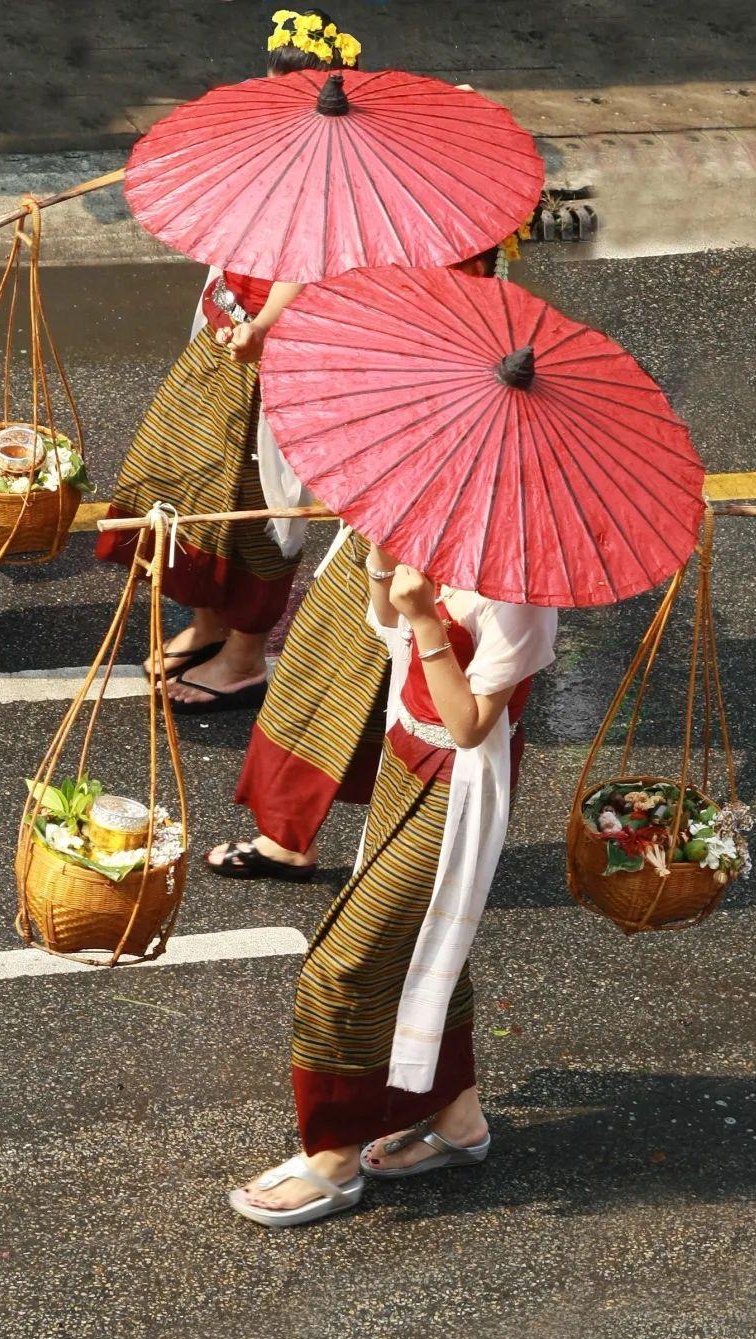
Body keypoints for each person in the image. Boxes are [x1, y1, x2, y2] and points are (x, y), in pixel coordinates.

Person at [228, 542, 557, 1226]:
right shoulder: (436, 533)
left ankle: (334, 1160)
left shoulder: (522, 585)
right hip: (405, 756)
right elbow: (385, 625)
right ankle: (458, 1117)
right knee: (418, 943)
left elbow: (469, 726)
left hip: (459, 788)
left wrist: (429, 620)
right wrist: (384, 561)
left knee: (341, 968)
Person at [204, 243, 516, 879]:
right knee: (350, 684)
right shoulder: (485, 306)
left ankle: (347, 845)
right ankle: (364, 843)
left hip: (425, 537)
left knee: (336, 683)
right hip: (428, 539)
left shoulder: (425, 302)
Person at [94, 9, 363, 716]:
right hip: (222, 340)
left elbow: (307, 256)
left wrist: (265, 327)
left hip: (284, 360)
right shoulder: (273, 136)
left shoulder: (336, 167)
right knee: (188, 490)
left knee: (263, 515)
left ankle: (244, 657)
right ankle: (209, 624)